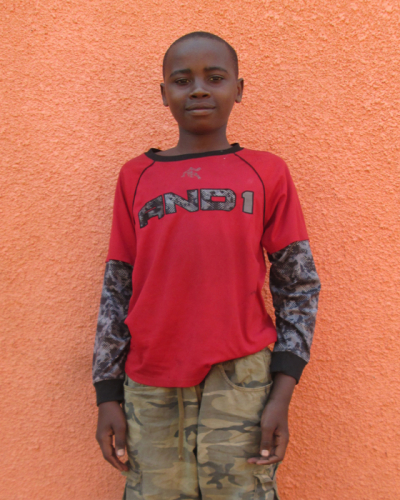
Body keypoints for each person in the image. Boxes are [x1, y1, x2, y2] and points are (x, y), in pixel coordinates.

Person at [93, 31, 321, 500]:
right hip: (150, 380)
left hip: (241, 378)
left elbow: (297, 285)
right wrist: (107, 393)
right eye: (183, 80)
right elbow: (118, 287)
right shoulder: (136, 176)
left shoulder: (266, 172)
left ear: (239, 88)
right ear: (164, 94)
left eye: (214, 78)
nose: (198, 90)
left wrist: (282, 391)